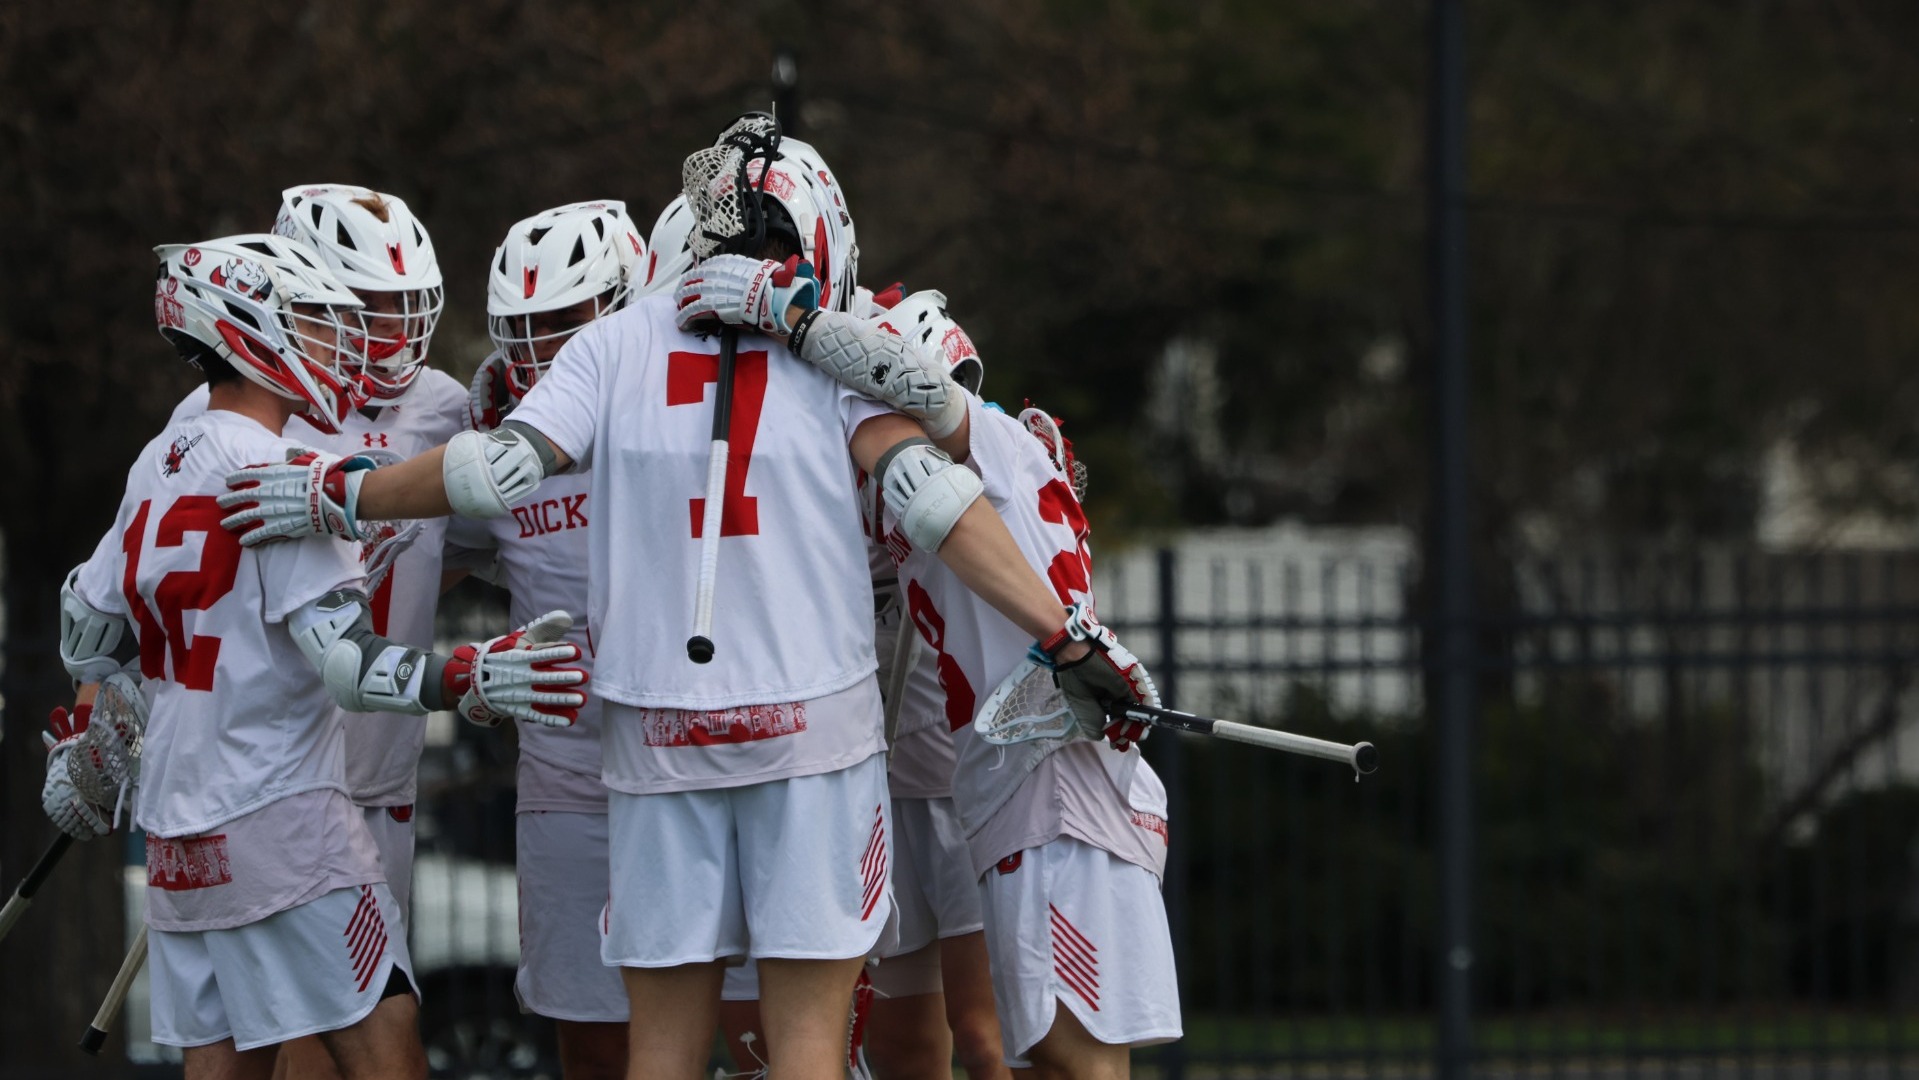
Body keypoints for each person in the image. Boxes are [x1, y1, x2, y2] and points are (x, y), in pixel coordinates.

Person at [214, 116, 1156, 1080]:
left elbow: (494, 470)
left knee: (656, 1053)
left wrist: (342, 488)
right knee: (800, 1052)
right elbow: (933, 498)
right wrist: (1065, 637)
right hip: (812, 739)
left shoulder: (611, 345)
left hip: (655, 737)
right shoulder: (838, 349)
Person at [50, 234, 586, 1080]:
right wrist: (470, 675)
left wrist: (96, 723)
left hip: (177, 826)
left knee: (223, 1062)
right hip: (285, 818)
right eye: (310, 319)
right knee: (387, 1047)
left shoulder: (158, 460)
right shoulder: (283, 473)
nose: (338, 343)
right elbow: (351, 667)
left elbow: (85, 623)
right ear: (249, 327)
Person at [833, 293, 1182, 1076]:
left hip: (1056, 794)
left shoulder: (987, 449)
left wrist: (796, 321)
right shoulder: (987, 472)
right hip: (1022, 795)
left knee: (1073, 1055)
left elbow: (922, 400)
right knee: (1046, 1055)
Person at [168, 185, 467, 940]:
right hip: (268, 784)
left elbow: (464, 556)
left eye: (406, 306)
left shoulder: (447, 407)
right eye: (367, 306)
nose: (393, 331)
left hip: (377, 774)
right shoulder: (225, 418)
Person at [444, 199, 647, 1080]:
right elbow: (417, 579)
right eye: (522, 328)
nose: (543, 348)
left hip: (696, 767)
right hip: (567, 776)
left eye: (565, 321)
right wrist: (462, 677)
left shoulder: (683, 408)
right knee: (591, 1039)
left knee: (753, 1026)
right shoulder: (500, 440)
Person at [846, 291, 1009, 1080]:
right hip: (880, 791)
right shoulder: (845, 484)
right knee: (903, 1047)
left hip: (964, 788)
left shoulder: (995, 478)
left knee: (986, 1037)